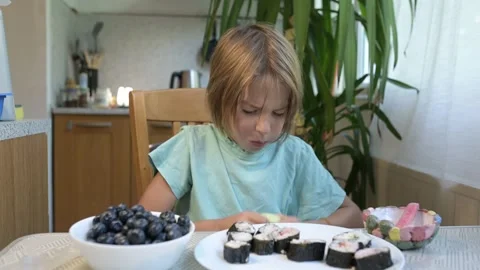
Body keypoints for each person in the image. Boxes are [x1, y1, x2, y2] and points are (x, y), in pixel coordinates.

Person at [140, 23, 364, 231]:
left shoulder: (296, 155)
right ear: (220, 100)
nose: (264, 127)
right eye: (249, 110)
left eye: (278, 113)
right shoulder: (192, 146)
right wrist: (222, 226)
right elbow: (144, 224)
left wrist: (308, 227)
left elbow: (352, 215)